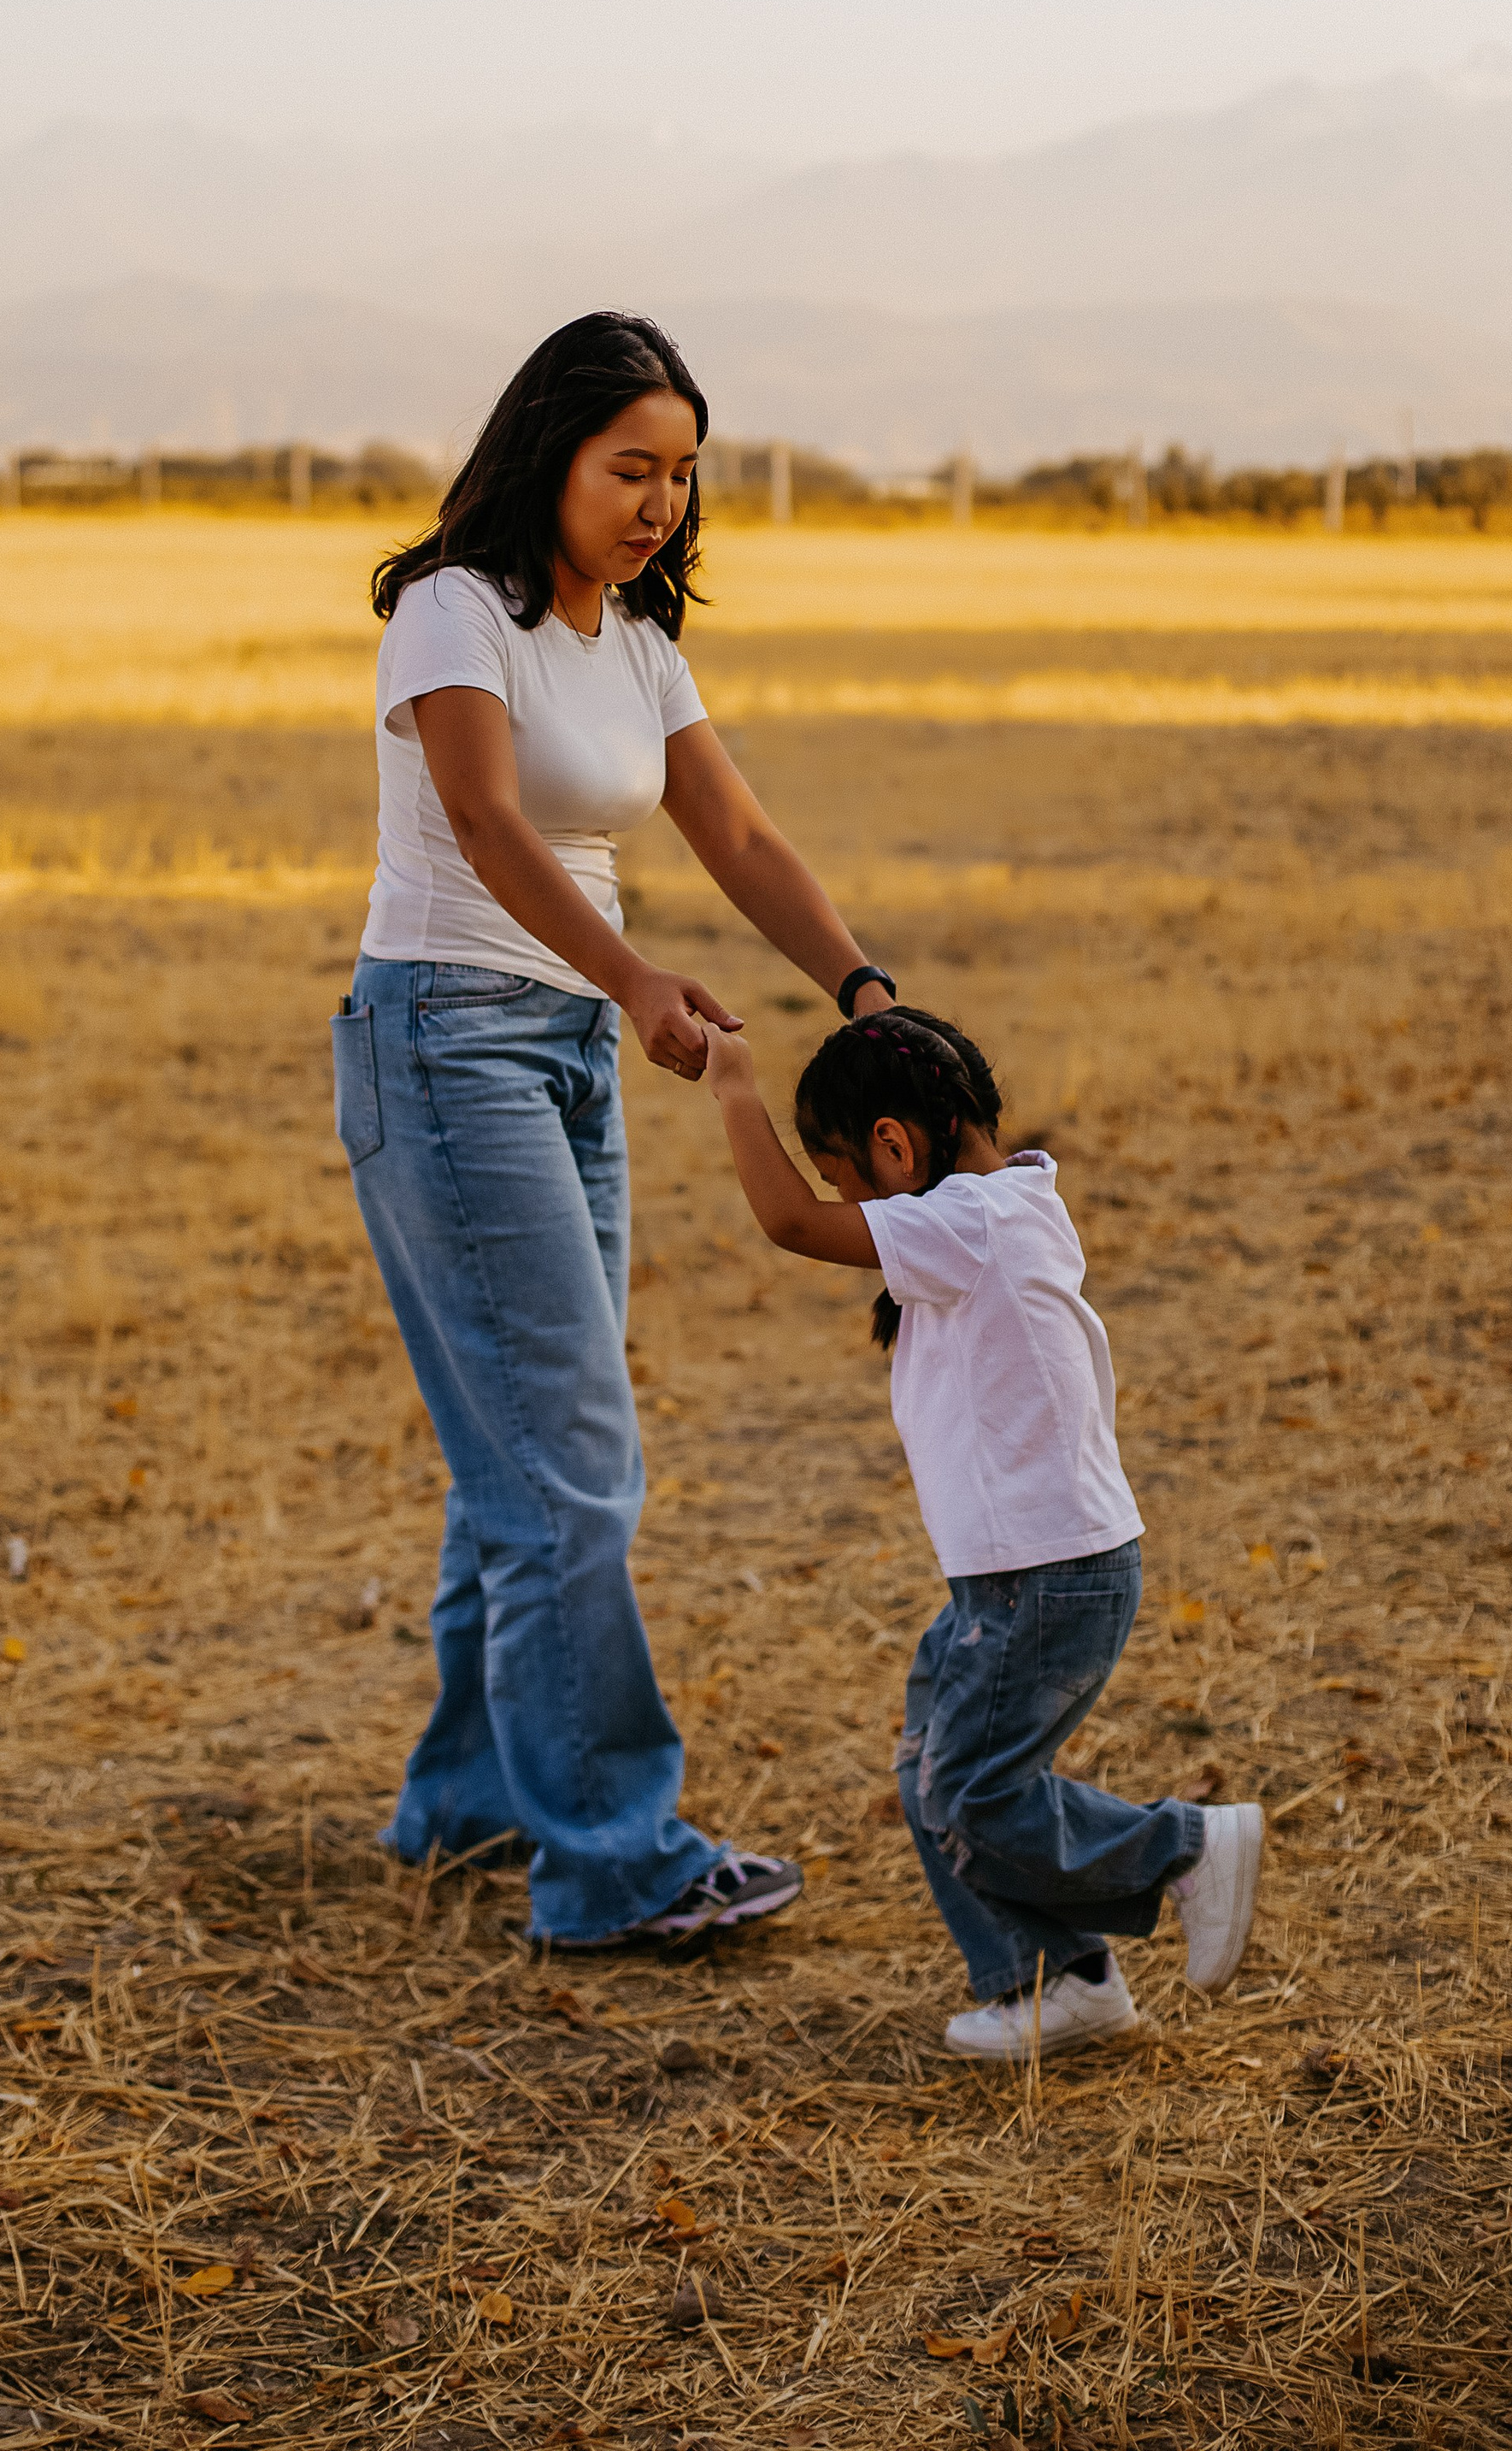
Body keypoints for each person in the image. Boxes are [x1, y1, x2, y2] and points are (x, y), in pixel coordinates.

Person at [335, 311, 901, 1953]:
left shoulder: (639, 641)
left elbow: (739, 832)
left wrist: (865, 991)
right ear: (551, 457)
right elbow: (484, 820)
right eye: (629, 468)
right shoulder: (455, 610)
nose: (660, 503)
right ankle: (612, 1860)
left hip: (568, 1049)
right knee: (571, 1467)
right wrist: (636, 977)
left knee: (521, 1455)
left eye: (683, 475)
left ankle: (470, 1801)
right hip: (448, 1038)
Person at [700, 1004, 1263, 2055]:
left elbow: (788, 1224)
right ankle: (1057, 1981)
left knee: (966, 1791)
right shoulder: (1003, 1204)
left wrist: (735, 1086)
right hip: (1023, 1577)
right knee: (933, 1776)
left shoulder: (969, 1221)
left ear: (893, 1144)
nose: (844, 1207)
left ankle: (1180, 1848)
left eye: (843, 1178)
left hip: (1041, 1579)